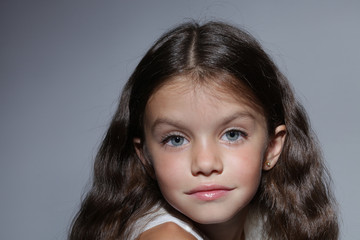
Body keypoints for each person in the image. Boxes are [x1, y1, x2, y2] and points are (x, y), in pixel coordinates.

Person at [69, 21, 339, 240]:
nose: (205, 163)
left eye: (232, 134)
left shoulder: (268, 223)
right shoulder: (166, 237)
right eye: (176, 139)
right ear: (145, 156)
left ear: (272, 146)